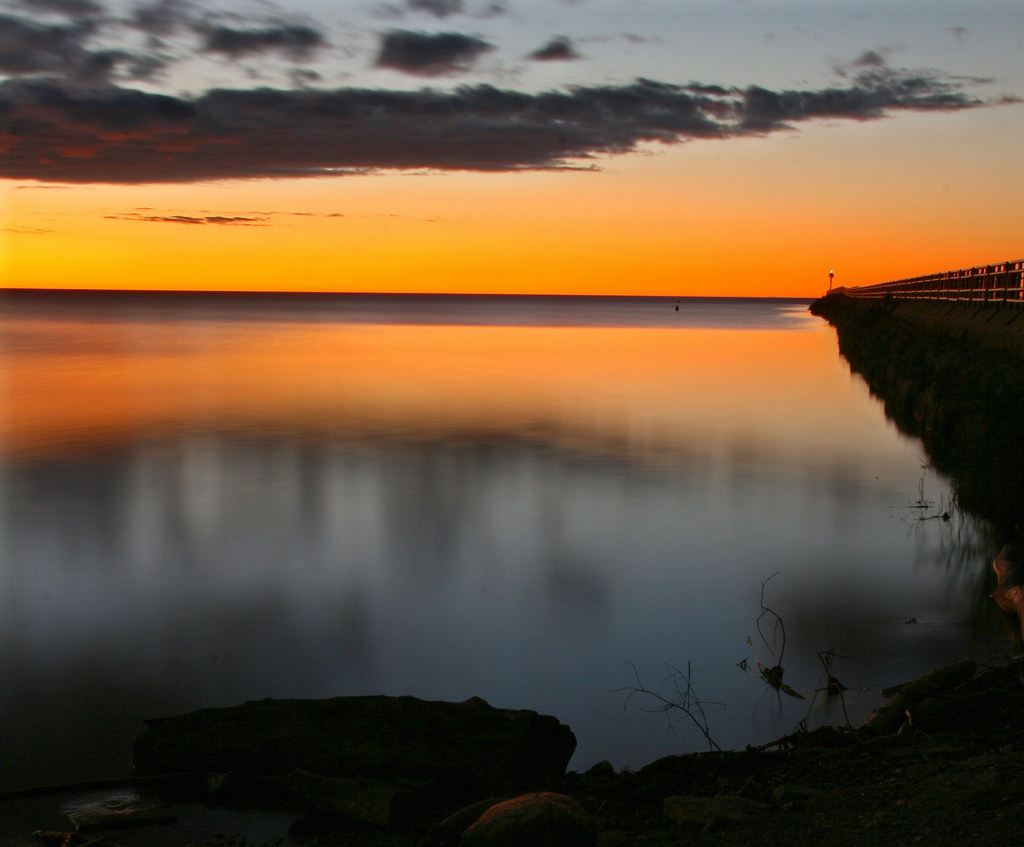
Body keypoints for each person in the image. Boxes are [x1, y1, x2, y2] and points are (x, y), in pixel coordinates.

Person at [991, 543, 1024, 655]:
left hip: (1006, 596)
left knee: (1018, 643)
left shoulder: (1006, 556)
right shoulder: (1010, 554)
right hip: (1012, 595)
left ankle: (1019, 655)